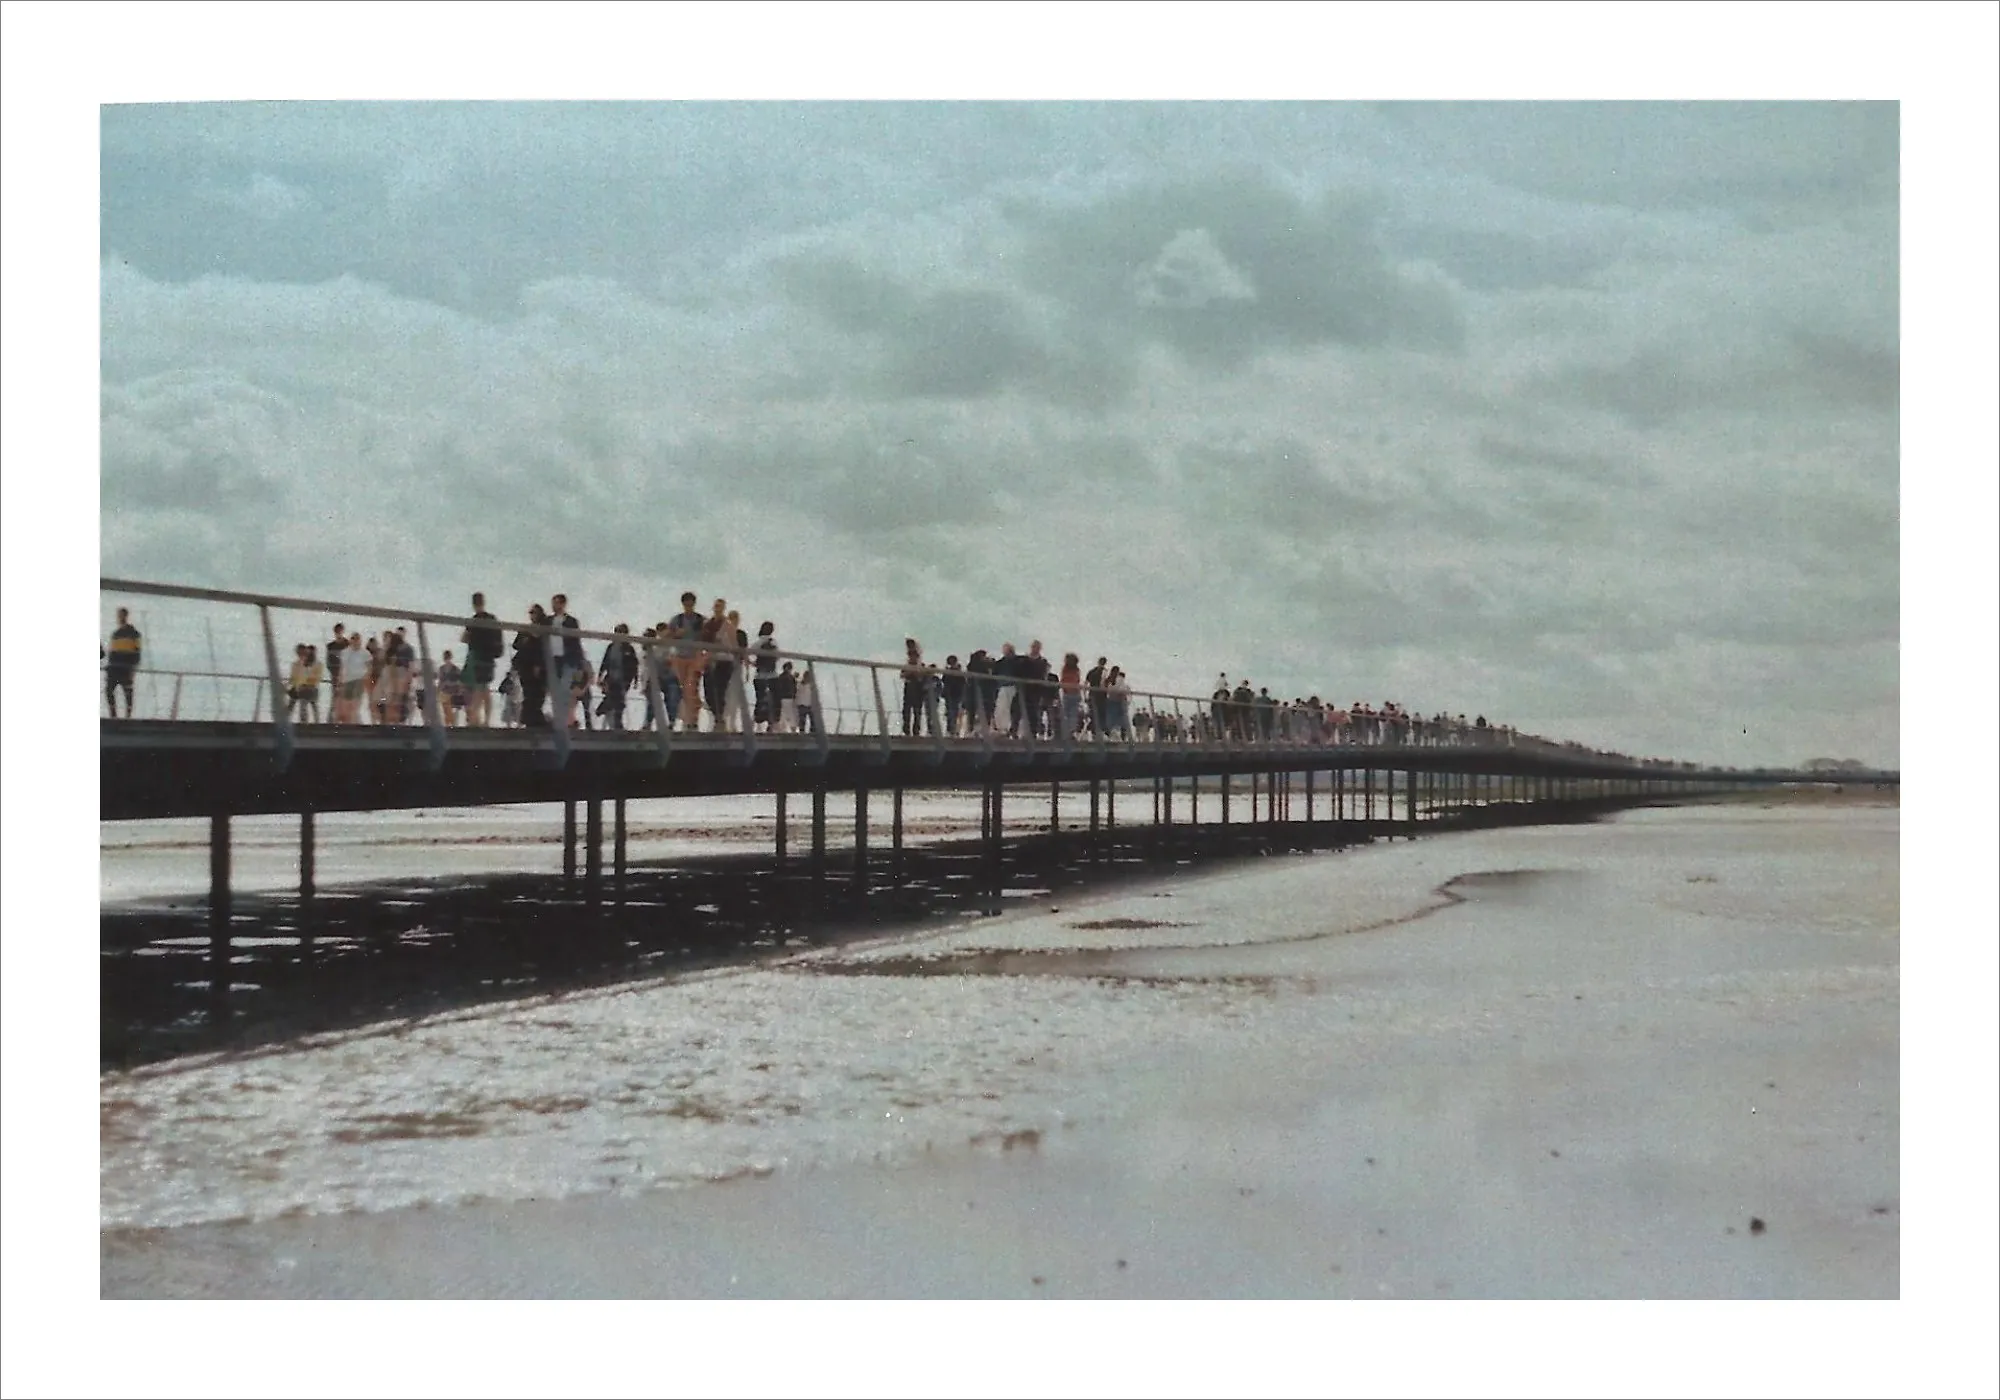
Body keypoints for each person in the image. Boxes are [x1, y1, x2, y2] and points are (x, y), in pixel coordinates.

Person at [461, 592, 504, 727]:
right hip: (489, 657)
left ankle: (474, 718)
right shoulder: (492, 619)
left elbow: (464, 638)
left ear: (473, 604)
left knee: (480, 687)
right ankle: (485, 720)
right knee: (484, 687)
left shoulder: (473, 620)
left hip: (477, 656)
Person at [666, 592, 706, 732]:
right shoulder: (677, 620)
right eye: (686, 604)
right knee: (684, 690)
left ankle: (692, 721)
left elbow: (707, 637)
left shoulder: (701, 620)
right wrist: (676, 634)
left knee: (691, 689)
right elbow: (667, 636)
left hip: (694, 658)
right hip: (680, 658)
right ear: (683, 604)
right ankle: (687, 720)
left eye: (691, 604)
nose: (689, 607)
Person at [550, 594, 584, 727]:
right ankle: (560, 718)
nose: (553, 606)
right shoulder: (549, 620)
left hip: (568, 659)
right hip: (553, 659)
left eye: (556, 603)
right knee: (555, 690)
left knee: (565, 690)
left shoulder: (571, 622)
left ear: (563, 604)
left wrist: (579, 663)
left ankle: (562, 720)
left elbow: (576, 642)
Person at [514, 604, 551, 728]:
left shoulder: (545, 628)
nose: (531, 615)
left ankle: (532, 718)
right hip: (525, 665)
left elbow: (544, 648)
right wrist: (528, 637)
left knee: (538, 693)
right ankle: (530, 719)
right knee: (530, 692)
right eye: (530, 613)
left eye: (533, 613)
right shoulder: (526, 629)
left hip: (538, 664)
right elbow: (516, 644)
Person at [598, 625, 638, 730]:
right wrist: (600, 675)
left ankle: (611, 715)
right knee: (616, 699)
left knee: (618, 700)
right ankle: (615, 722)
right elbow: (605, 661)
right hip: (611, 677)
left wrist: (634, 680)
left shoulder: (629, 648)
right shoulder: (611, 647)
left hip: (623, 679)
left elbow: (634, 665)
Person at [104, 607, 142, 718]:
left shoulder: (134, 634)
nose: (119, 618)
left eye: (121, 615)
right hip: (114, 667)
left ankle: (128, 716)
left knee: (128, 691)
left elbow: (137, 652)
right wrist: (109, 666)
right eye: (118, 615)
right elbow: (112, 652)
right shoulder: (115, 634)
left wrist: (133, 668)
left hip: (126, 667)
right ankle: (113, 715)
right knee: (109, 690)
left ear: (126, 616)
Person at [752, 621, 780, 732]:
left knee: (760, 699)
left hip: (760, 675)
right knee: (774, 700)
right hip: (772, 674)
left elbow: (747, 652)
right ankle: (771, 723)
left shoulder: (758, 642)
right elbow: (777, 657)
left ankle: (758, 721)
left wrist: (752, 663)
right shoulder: (774, 642)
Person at [289, 643, 324, 723]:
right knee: (301, 705)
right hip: (300, 687)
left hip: (311, 687)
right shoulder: (298, 664)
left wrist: (307, 683)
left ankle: (315, 722)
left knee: (311, 705)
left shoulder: (317, 664)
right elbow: (295, 677)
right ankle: (303, 722)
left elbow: (317, 677)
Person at [436, 650, 464, 726]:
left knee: (449, 712)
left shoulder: (455, 669)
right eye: (446, 657)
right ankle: (450, 726)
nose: (447, 659)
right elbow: (440, 682)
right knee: (447, 712)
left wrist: (449, 684)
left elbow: (460, 682)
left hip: (452, 693)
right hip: (445, 692)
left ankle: (450, 726)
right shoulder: (443, 669)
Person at [1059, 651, 1084, 739]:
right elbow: (1077, 680)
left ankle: (1066, 732)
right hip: (1074, 693)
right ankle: (1070, 732)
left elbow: (1063, 680)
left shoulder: (1065, 669)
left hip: (1068, 693)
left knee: (1066, 713)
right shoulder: (1076, 670)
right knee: (1073, 714)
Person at [941, 655, 967, 737]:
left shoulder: (956, 672)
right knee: (951, 711)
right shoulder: (955, 672)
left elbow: (962, 682)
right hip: (952, 694)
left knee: (953, 711)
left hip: (955, 694)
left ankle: (952, 729)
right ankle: (952, 729)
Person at [1084, 656, 1108, 736]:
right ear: (1105, 663)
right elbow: (1103, 684)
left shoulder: (1091, 671)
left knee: (1093, 714)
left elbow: (1085, 684)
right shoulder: (1105, 672)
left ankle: (1093, 732)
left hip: (1092, 694)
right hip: (1101, 696)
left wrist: (1085, 696)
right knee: (1102, 714)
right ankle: (1100, 732)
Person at [775, 660, 799, 733]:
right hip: (789, 698)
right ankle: (793, 731)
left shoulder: (780, 677)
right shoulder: (790, 677)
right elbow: (794, 688)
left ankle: (781, 730)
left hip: (781, 698)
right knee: (791, 716)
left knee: (783, 715)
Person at [795, 666, 819, 735]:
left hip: (810, 705)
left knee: (813, 721)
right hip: (802, 705)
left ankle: (812, 733)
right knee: (802, 721)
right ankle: (802, 733)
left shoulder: (811, 685)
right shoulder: (799, 684)